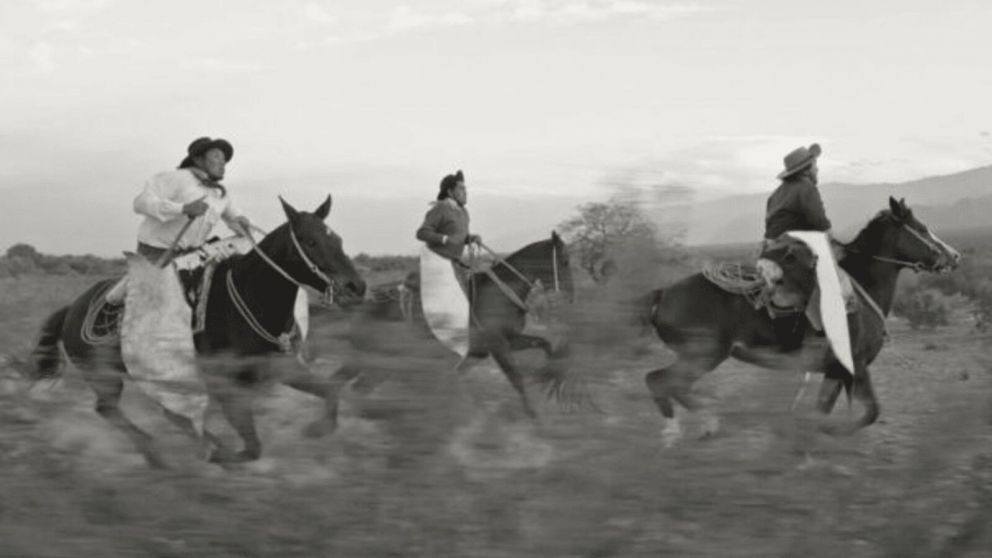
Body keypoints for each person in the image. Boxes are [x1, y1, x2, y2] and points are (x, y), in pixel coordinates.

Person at [757, 143, 854, 333]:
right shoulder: (806, 188)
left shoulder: (776, 194)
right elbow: (821, 225)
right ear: (806, 170)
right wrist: (835, 244)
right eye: (815, 165)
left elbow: (769, 228)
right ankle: (839, 327)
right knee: (840, 279)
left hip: (769, 252)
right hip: (792, 251)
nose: (817, 169)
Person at [133, 136, 252, 262]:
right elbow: (140, 203)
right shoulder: (176, 178)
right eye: (216, 156)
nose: (223, 163)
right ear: (198, 159)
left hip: (193, 257)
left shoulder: (220, 193)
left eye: (224, 159)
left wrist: (244, 224)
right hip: (156, 254)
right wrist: (183, 209)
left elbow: (238, 219)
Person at [415, 169, 480, 264]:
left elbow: (458, 238)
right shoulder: (441, 207)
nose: (465, 192)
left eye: (465, 189)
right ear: (450, 192)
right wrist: (445, 239)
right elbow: (422, 233)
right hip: (436, 262)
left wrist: (471, 239)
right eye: (461, 189)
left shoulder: (464, 212)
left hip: (453, 263)